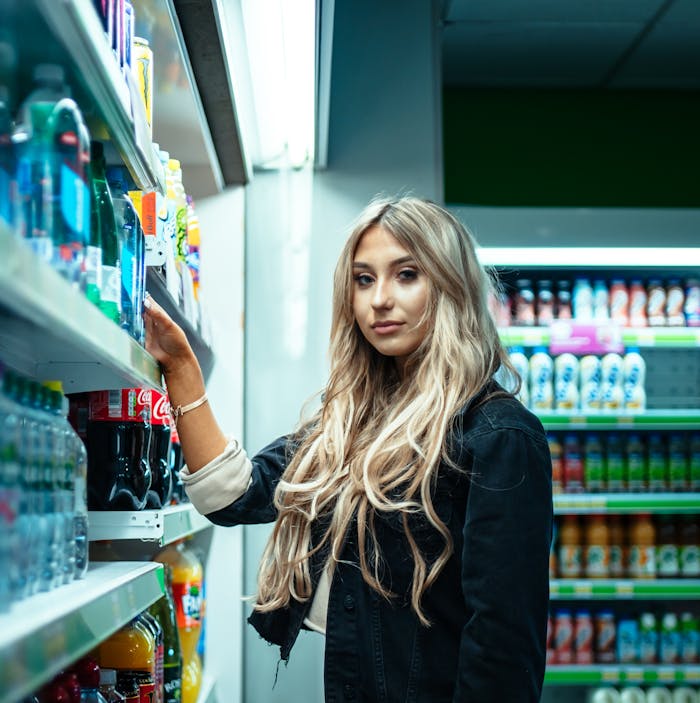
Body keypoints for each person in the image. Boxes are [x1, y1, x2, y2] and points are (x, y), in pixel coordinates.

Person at [143, 196, 553, 702]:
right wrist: (181, 367)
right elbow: (233, 495)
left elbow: (503, 654)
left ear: (450, 286)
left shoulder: (499, 435)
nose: (379, 299)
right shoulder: (349, 425)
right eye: (363, 279)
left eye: (406, 274)